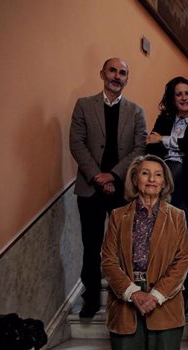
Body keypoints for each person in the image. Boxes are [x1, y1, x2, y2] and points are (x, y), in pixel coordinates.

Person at [101, 155, 188, 350]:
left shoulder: (177, 216)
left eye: (157, 175)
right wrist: (132, 293)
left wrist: (156, 295)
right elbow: (109, 261)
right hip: (126, 303)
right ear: (135, 180)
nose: (151, 180)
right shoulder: (117, 216)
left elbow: (182, 261)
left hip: (164, 303)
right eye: (145, 174)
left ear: (165, 182)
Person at [69, 57, 147, 318]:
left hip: (122, 188)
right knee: (90, 245)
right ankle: (91, 297)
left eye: (122, 73)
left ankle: (124, 296)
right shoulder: (83, 106)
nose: (117, 76)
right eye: (112, 70)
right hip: (90, 189)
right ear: (102, 73)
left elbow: (139, 149)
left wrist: (113, 175)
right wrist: (97, 176)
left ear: (127, 78)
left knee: (125, 246)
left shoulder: (136, 112)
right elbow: (77, 143)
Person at [146, 76, 188, 211]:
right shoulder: (163, 120)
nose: (184, 98)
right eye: (178, 94)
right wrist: (185, 142)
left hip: (187, 175)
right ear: (173, 100)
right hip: (162, 170)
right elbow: (151, 146)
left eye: (187, 93)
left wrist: (163, 139)